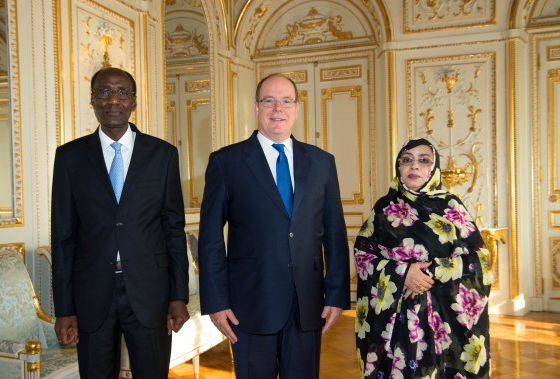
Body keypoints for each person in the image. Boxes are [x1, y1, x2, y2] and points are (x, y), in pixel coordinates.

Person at [198, 73, 351, 378]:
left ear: (297, 108)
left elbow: (334, 232)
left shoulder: (322, 162)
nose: (277, 109)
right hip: (249, 306)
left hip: (307, 304)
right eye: (269, 101)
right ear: (256, 108)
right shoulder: (226, 162)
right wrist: (216, 302)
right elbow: (210, 237)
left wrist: (336, 294)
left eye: (285, 101)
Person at [51, 67, 190, 379]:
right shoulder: (69, 158)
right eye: (103, 91)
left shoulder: (162, 155)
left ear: (133, 102)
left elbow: (172, 230)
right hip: (91, 295)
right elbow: (63, 237)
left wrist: (178, 296)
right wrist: (64, 308)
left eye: (122, 92)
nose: (112, 99)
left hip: (149, 294)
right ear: (93, 101)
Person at [354, 138, 491, 378]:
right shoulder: (383, 208)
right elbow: (363, 255)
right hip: (394, 319)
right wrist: (403, 274)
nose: (414, 166)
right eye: (407, 160)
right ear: (399, 168)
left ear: (433, 168)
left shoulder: (451, 206)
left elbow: (479, 258)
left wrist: (430, 273)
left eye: (423, 160)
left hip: (444, 316)